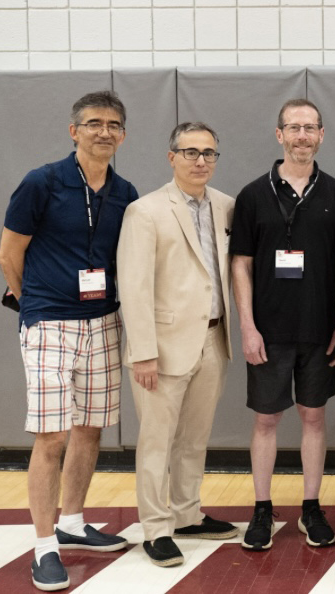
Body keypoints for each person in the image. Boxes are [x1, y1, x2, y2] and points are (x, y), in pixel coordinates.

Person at [0, 90, 135, 591]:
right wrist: (31, 303)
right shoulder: (42, 182)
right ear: (73, 131)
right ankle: (43, 546)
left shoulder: (125, 193)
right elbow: (8, 254)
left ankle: (72, 522)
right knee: (51, 436)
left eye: (113, 124)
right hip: (50, 322)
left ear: (123, 135)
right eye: (94, 123)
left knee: (90, 429)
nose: (104, 131)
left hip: (104, 321)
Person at [231, 99, 335, 551]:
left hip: (320, 329)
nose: (302, 135)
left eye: (310, 128)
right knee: (266, 420)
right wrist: (247, 325)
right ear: (278, 134)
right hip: (268, 330)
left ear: (322, 134)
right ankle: (262, 508)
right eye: (293, 127)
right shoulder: (252, 195)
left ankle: (310, 507)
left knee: (314, 416)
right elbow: (240, 265)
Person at [118, 122, 238, 567]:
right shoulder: (145, 211)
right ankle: (155, 526)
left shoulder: (226, 206)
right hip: (163, 346)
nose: (200, 161)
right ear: (172, 157)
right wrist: (143, 351)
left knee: (194, 438)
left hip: (212, 336)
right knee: (156, 440)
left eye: (208, 153)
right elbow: (133, 286)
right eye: (190, 152)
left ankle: (187, 514)